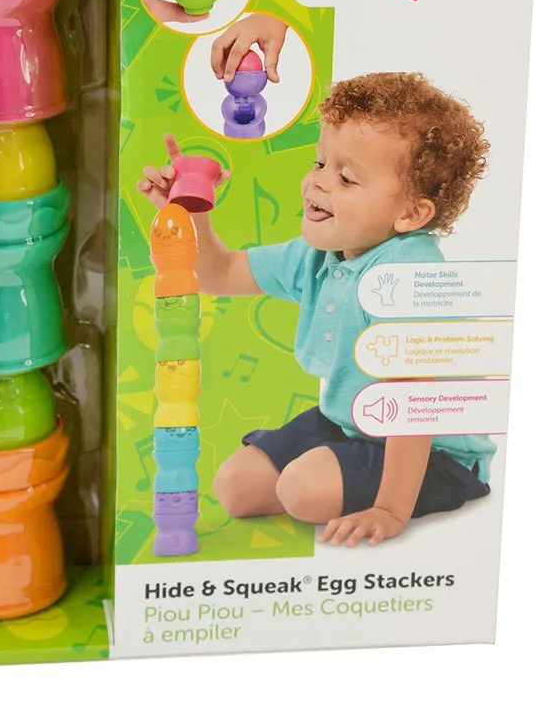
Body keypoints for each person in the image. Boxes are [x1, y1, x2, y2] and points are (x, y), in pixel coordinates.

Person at [136, 72, 493, 547]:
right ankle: (335, 462)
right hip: (351, 422)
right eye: (320, 162)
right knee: (237, 487)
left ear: (410, 215)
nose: (318, 182)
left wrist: (389, 510)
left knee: (303, 491)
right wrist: (188, 209)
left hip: (434, 453)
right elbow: (217, 273)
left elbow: (413, 406)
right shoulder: (321, 254)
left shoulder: (408, 276)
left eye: (346, 178)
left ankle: (368, 480)